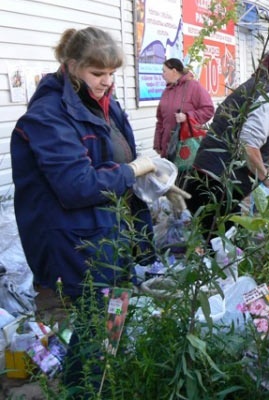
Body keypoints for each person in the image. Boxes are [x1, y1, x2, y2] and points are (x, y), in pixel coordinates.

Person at [10, 26, 160, 392]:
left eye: (112, 73)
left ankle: (104, 382)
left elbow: (119, 155)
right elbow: (76, 186)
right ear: (71, 66)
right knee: (93, 328)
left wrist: (152, 178)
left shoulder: (106, 106)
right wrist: (130, 171)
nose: (107, 82)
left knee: (113, 317)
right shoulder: (49, 116)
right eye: (97, 73)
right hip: (76, 241)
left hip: (110, 232)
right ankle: (84, 390)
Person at [184, 50, 269, 233]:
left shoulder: (253, 87)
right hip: (221, 183)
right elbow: (248, 146)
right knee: (221, 244)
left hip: (206, 174)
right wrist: (267, 181)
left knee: (214, 241)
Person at [154, 58, 215, 159]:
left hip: (187, 148)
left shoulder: (194, 86)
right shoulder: (166, 92)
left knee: (184, 173)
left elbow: (208, 110)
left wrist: (187, 117)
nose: (162, 74)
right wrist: (158, 144)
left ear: (174, 71)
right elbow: (160, 120)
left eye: (164, 71)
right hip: (167, 149)